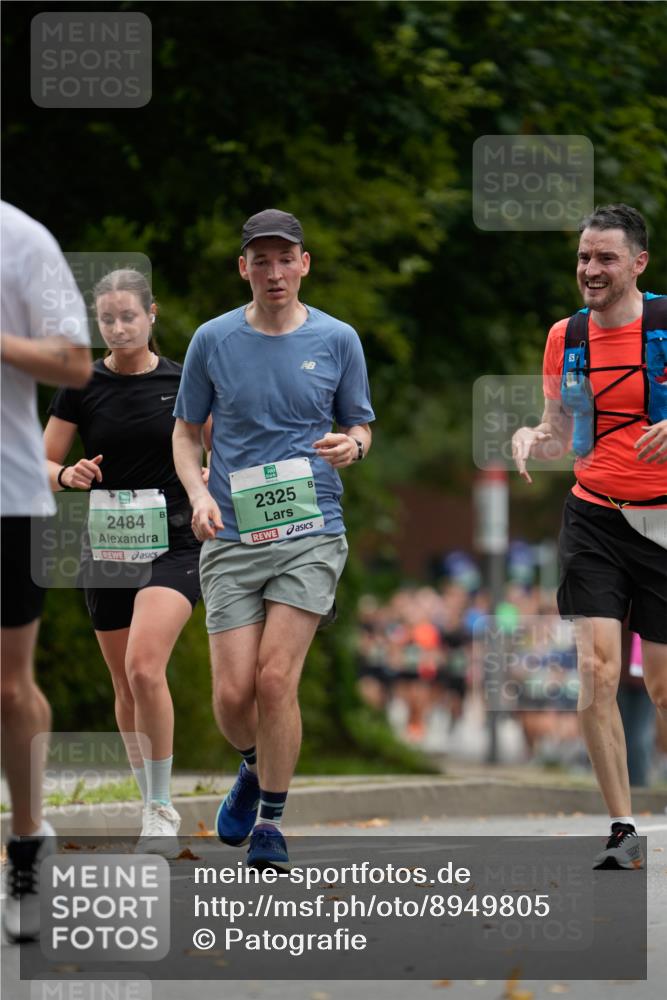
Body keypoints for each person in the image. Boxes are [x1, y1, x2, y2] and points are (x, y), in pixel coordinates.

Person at [173, 208, 374, 870]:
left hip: (312, 527)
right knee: (232, 698)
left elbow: (360, 425)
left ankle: (271, 825)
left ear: (304, 264)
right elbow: (185, 430)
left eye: (285, 258)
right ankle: (255, 765)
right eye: (260, 260)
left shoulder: (339, 339)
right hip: (230, 530)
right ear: (244, 268)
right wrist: (199, 494)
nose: (274, 271)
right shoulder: (213, 339)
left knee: (272, 678)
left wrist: (352, 445)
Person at [512, 203, 666, 870]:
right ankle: (622, 828)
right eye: (583, 257)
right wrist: (529, 436)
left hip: (662, 520)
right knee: (597, 671)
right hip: (593, 515)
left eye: (605, 257)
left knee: (661, 687)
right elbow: (555, 427)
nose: (590, 269)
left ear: (637, 263)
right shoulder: (564, 336)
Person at [43, 268, 207, 858]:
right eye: (106, 319)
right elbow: (44, 460)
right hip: (108, 544)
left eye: (127, 316)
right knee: (123, 682)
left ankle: (162, 809)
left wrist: (212, 474)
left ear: (152, 314)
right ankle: (150, 801)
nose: (117, 327)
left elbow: (219, 440)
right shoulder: (80, 383)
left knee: (143, 667)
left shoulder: (184, 378)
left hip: (176, 539)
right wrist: (68, 474)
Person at [1, 200, 92, 941]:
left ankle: (27, 842)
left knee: (7, 684)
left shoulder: (24, 240)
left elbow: (74, 361)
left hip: (7, 495)